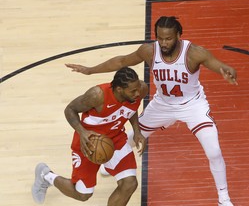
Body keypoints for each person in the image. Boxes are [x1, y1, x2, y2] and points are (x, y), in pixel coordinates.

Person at [66, 16, 237, 206]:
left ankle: (224, 198)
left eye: (169, 38)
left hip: (193, 106)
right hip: (162, 105)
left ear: (179, 35)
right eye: (160, 38)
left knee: (214, 151)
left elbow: (217, 64)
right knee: (132, 137)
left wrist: (226, 69)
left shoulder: (194, 53)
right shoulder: (149, 50)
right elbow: (121, 61)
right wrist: (90, 70)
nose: (163, 43)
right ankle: (108, 159)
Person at [31, 67, 148, 206]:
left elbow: (131, 109)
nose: (138, 92)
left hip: (116, 138)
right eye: (133, 91)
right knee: (83, 194)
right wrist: (82, 132)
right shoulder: (97, 95)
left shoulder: (140, 89)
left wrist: (137, 131)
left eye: (137, 88)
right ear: (119, 90)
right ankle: (46, 176)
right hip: (89, 142)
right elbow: (70, 109)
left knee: (129, 184)